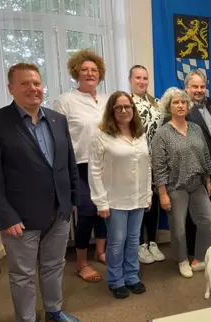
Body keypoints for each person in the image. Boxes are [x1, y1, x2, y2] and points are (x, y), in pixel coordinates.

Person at [0, 63, 79, 322]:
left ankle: (54, 310)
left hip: (59, 213)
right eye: (25, 84)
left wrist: (72, 199)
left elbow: (68, 163)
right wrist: (5, 216)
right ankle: (27, 319)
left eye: (37, 83)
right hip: (20, 217)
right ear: (11, 88)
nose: (33, 88)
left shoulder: (57, 119)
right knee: (22, 274)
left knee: (54, 266)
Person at [88, 91, 152, 299]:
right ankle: (116, 280)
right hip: (114, 199)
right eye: (119, 107)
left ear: (133, 109)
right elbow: (94, 170)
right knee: (116, 241)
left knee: (134, 240)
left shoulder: (140, 135)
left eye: (128, 107)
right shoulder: (102, 136)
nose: (124, 111)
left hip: (138, 197)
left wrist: (148, 194)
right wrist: (100, 202)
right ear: (112, 111)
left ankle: (132, 276)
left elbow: (147, 166)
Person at [53, 49, 108, 283]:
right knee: (85, 213)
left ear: (100, 74)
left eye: (94, 70)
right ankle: (82, 262)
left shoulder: (107, 99)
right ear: (77, 72)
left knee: (105, 211)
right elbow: (57, 139)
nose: (89, 73)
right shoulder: (65, 101)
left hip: (107, 164)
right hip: (80, 166)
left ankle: (101, 251)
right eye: (84, 69)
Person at [152, 87, 211, 278]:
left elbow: (205, 155)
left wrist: (209, 180)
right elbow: (158, 165)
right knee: (178, 227)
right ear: (169, 106)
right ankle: (182, 260)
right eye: (176, 102)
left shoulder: (195, 128)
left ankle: (199, 257)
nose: (180, 105)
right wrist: (162, 193)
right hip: (175, 187)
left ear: (188, 106)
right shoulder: (162, 134)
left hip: (197, 184)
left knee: (208, 221)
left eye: (183, 102)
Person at [128, 65, 165, 264]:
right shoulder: (126, 103)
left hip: (155, 160)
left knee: (154, 202)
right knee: (139, 201)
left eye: (145, 78)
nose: (142, 82)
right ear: (130, 80)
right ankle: (139, 244)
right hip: (135, 160)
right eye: (138, 78)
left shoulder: (157, 103)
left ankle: (152, 242)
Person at [184, 69, 211, 250]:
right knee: (194, 210)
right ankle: (194, 247)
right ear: (186, 88)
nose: (199, 90)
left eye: (202, 86)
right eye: (195, 86)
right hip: (195, 167)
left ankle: (209, 241)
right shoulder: (181, 108)